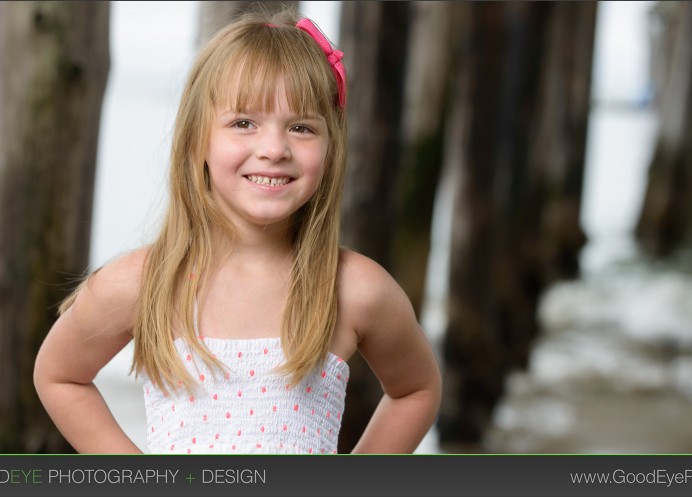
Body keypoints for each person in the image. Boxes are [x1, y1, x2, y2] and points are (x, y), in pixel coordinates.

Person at [33, 10, 442, 455]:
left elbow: (416, 389)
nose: (273, 149)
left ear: (331, 147)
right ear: (197, 140)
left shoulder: (354, 288)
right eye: (243, 122)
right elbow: (59, 375)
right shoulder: (145, 282)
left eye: (301, 127)